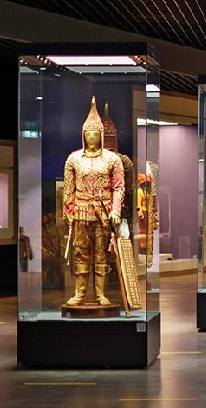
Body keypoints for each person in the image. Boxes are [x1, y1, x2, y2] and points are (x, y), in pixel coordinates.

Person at [62, 97, 125, 306]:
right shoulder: (73, 159)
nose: (91, 136)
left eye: (95, 133)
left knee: (101, 253)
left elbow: (118, 187)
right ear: (83, 135)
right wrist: (68, 212)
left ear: (101, 135)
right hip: (80, 212)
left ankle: (100, 294)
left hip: (103, 212)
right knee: (80, 252)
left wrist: (115, 211)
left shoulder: (112, 159)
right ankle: (80, 293)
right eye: (88, 133)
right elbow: (68, 188)